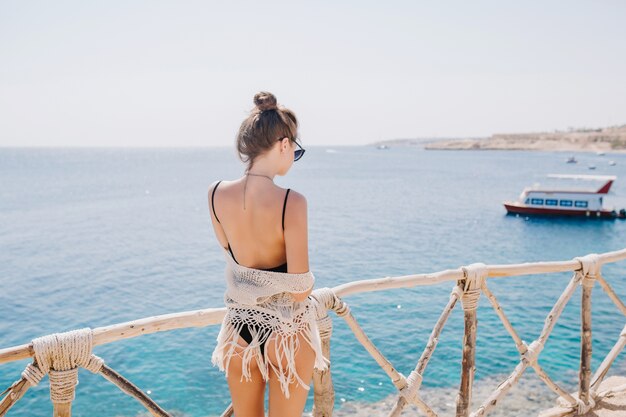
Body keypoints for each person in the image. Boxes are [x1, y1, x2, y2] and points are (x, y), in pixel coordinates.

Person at [208, 92, 327, 417]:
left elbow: (232, 255)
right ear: (284, 144)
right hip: (286, 331)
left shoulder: (216, 193)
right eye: (296, 152)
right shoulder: (291, 201)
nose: (293, 158)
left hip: (238, 329)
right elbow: (301, 286)